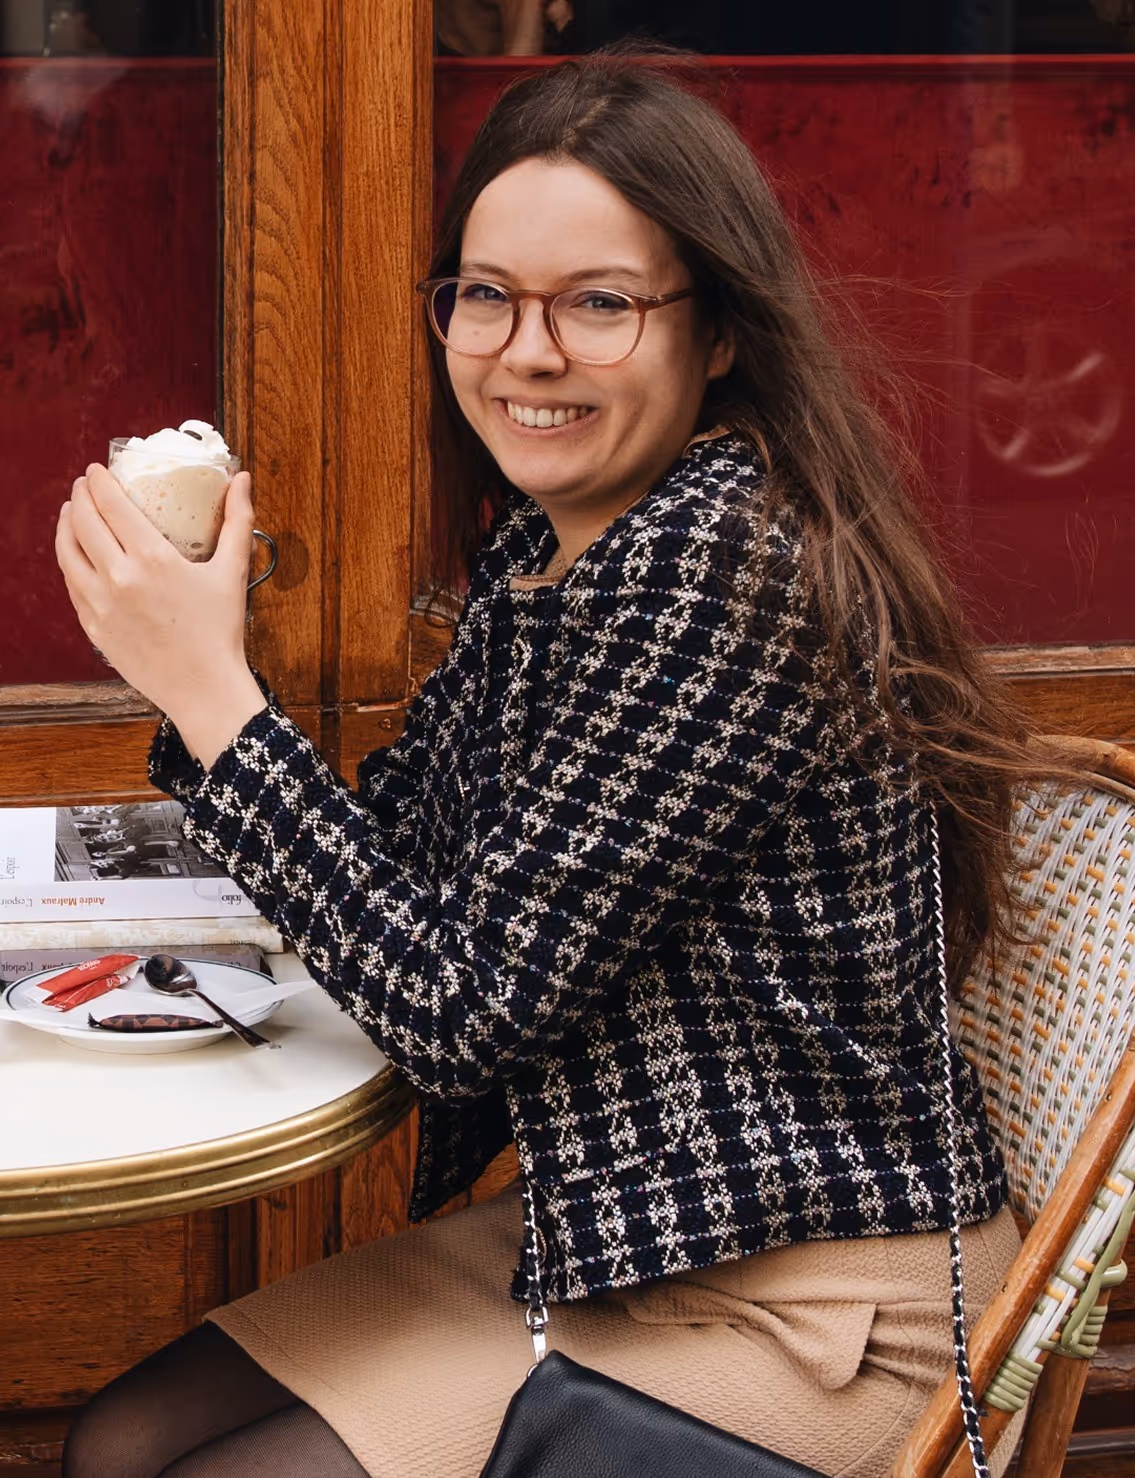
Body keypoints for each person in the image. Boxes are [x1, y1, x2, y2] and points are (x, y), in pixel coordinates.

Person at [51, 49, 1047, 1478]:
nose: (526, 352)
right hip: (629, 1225)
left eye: (598, 305)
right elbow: (397, 858)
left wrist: (212, 693)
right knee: (118, 1439)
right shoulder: (557, 547)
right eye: (487, 295)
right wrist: (209, 661)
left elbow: (460, 1008)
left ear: (717, 334)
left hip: (815, 1295)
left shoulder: (725, 569)